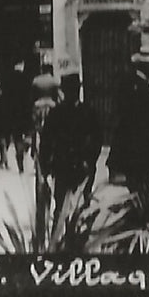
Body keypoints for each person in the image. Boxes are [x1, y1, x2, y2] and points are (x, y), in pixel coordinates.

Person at [38, 73, 103, 223]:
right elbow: (47, 142)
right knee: (62, 206)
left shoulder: (62, 113)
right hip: (65, 166)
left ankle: (77, 237)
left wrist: (90, 160)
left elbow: (96, 140)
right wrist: (46, 166)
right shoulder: (84, 112)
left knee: (80, 204)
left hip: (78, 166)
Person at [108, 49, 149, 202]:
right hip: (139, 153)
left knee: (138, 191)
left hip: (132, 153)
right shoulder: (139, 90)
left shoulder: (130, 84)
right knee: (141, 193)